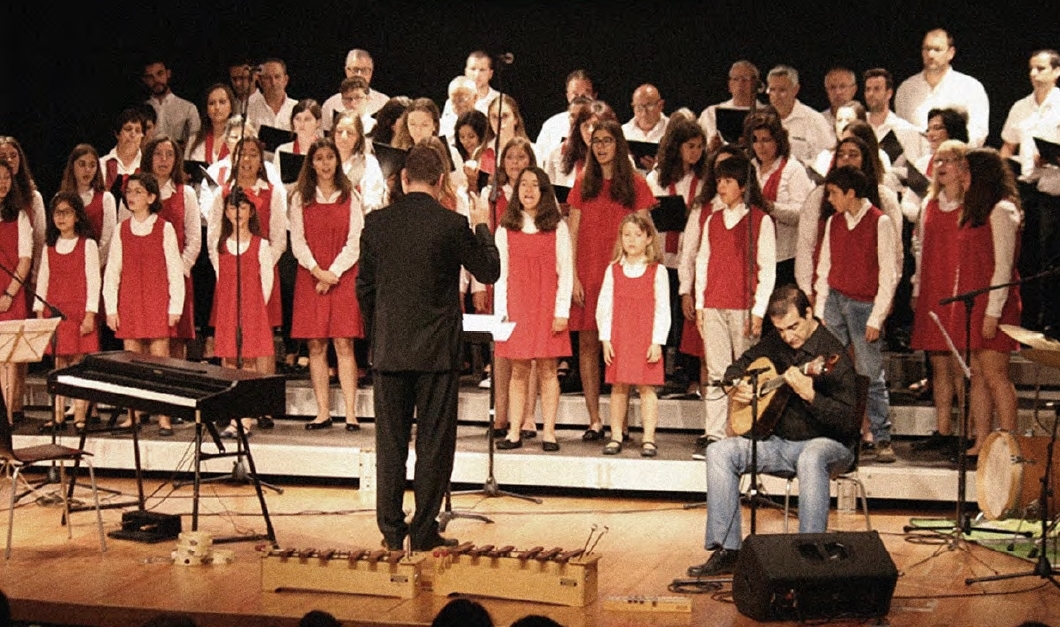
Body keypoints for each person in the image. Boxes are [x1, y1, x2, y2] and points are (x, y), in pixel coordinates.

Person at [356, 142, 499, 551]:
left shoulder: (377, 223)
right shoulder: (451, 224)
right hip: (436, 352)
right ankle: (423, 531)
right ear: (440, 181)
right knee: (434, 444)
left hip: (389, 349)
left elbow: (364, 287)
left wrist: (379, 330)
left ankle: (390, 530)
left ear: (403, 178)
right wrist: (483, 224)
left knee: (391, 443)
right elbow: (489, 270)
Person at [687, 284, 858, 577]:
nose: (788, 336)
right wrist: (736, 385)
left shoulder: (831, 353)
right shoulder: (776, 344)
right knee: (719, 452)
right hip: (780, 443)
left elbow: (848, 421)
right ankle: (728, 550)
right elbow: (737, 366)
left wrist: (812, 397)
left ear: (808, 313)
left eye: (793, 327)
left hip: (828, 445)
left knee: (811, 457)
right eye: (780, 330)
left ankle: (811, 552)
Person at [568, 119, 656, 441]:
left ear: (618, 144)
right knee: (589, 343)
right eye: (596, 142)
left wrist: (645, 273)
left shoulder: (634, 183)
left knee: (625, 346)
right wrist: (573, 276)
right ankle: (595, 420)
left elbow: (647, 230)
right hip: (589, 272)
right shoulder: (582, 182)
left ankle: (623, 423)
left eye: (607, 140)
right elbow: (573, 232)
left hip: (624, 273)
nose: (602, 147)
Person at [813, 165, 899, 463]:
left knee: (869, 373)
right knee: (834, 370)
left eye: (835, 193)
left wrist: (877, 318)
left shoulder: (880, 221)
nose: (830, 199)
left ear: (851, 193)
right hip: (835, 301)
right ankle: (838, 432)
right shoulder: (834, 222)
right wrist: (819, 308)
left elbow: (888, 274)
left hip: (864, 305)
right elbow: (824, 267)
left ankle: (882, 435)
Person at [695, 153, 776, 449]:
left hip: (743, 305)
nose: (721, 186)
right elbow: (703, 261)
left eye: (728, 181)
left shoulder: (760, 220)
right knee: (717, 371)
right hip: (715, 303)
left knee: (744, 371)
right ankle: (714, 433)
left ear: (743, 185)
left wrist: (759, 310)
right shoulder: (713, 220)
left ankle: (742, 429)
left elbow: (768, 269)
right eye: (718, 180)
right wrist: (701, 304)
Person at [493, 166, 572, 452]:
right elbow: (500, 275)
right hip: (517, 306)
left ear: (544, 191)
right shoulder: (505, 227)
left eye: (534, 185)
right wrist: (502, 314)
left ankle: (549, 432)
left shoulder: (557, 227)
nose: (528, 190)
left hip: (547, 305)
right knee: (519, 370)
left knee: (549, 369)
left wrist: (561, 310)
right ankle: (514, 431)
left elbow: (566, 271)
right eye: (523, 184)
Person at [949, 148, 1021, 458]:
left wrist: (993, 312)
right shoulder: (973, 210)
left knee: (995, 375)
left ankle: (1008, 441)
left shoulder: (1002, 210)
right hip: (972, 300)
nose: (961, 177)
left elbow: (1003, 267)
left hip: (996, 304)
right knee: (976, 375)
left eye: (966, 171)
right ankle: (982, 440)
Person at [289, 138, 364, 432]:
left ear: (337, 160)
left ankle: (350, 413)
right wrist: (318, 271)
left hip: (343, 276)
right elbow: (297, 241)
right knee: (316, 344)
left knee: (344, 343)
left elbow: (356, 240)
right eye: (318, 158)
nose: (324, 163)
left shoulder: (351, 196)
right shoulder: (300, 198)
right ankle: (322, 412)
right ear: (311, 162)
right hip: (311, 276)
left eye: (329, 157)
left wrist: (332, 272)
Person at [102, 172, 184, 436]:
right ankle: (133, 414)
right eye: (129, 192)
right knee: (132, 364)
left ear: (151, 197)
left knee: (160, 364)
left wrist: (175, 307)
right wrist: (111, 307)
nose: (132, 196)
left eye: (138, 192)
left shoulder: (164, 228)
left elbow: (174, 269)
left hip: (157, 300)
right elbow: (113, 270)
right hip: (130, 302)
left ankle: (164, 417)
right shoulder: (121, 229)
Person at [908, 140, 968, 454]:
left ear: (962, 166)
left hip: (958, 291)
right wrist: (918, 288)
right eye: (938, 160)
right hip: (933, 286)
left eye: (948, 160)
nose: (941, 166)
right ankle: (943, 429)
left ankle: (968, 432)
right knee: (938, 364)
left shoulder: (972, 205)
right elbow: (919, 249)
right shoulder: (928, 204)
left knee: (960, 364)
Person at [597, 213, 670, 457]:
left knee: (646, 388)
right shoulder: (613, 270)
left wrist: (657, 341)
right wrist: (606, 338)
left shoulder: (657, 271)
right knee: (619, 387)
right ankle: (616, 434)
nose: (632, 240)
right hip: (620, 336)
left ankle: (649, 437)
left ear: (648, 238)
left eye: (638, 235)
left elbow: (663, 309)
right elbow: (604, 306)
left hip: (645, 338)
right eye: (627, 235)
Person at [999, 50, 1060, 336]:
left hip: (1054, 192)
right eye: (1031, 69)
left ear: (1056, 72)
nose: (1034, 74)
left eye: (1041, 68)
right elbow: (1007, 148)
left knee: (1051, 259)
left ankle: (1051, 321)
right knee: (1025, 258)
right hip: (1025, 189)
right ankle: (1028, 319)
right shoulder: (1020, 107)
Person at [34, 192, 100, 434]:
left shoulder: (87, 244)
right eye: (57, 213)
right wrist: (39, 309)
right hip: (55, 311)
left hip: (79, 311)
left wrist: (90, 313)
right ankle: (58, 414)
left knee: (79, 363)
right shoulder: (50, 246)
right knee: (59, 363)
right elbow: (43, 278)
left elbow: (94, 280)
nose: (61, 217)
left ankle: (80, 414)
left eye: (66, 212)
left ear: (77, 216)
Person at [212, 192, 275, 438]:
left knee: (248, 363)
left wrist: (256, 307)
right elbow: (221, 276)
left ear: (250, 211)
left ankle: (246, 419)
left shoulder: (261, 244)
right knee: (229, 362)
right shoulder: (222, 244)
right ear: (226, 212)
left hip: (251, 308)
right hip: (228, 308)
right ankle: (233, 417)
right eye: (232, 208)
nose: (237, 213)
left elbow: (267, 280)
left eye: (242, 207)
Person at [142, 135, 201, 355]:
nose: (164, 159)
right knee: (147, 338)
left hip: (177, 276)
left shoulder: (186, 194)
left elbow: (194, 239)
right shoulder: (136, 192)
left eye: (170, 154)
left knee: (176, 339)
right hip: (145, 278)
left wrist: (178, 272)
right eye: (158, 154)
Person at [745, 111, 812, 287]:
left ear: (778, 140)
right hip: (753, 255)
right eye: (755, 140)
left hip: (784, 258)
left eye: (766, 140)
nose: (760, 146)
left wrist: (770, 206)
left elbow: (801, 213)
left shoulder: (793, 169)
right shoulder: (749, 168)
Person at [895, 28, 990, 147]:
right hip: (915, 161)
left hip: (957, 159)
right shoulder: (906, 89)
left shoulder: (970, 87)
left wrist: (953, 153)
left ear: (951, 53)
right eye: (927, 49)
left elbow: (978, 132)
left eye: (937, 49)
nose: (931, 54)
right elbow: (901, 132)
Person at [0, 158, 32, 426]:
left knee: (9, 359)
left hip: (10, 295)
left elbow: (25, 259)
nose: (2, 183)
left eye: (7, 178)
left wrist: (9, 294)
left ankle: (7, 417)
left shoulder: (19, 215)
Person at [863, 68, 930, 175]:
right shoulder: (859, 124)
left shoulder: (904, 129)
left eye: (877, 89)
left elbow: (916, 171)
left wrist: (887, 172)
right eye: (868, 89)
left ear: (889, 93)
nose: (871, 94)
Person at [58, 143, 117, 264]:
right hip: (66, 265)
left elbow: (107, 242)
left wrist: (89, 266)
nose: (87, 170)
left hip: (96, 267)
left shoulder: (106, 199)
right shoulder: (60, 199)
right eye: (82, 164)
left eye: (92, 165)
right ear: (72, 166)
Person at [765, 65, 833, 165]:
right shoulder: (763, 118)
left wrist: (801, 166)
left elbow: (827, 157)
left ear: (795, 89)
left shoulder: (814, 119)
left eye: (782, 90)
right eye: (772, 90)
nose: (776, 95)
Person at [535, 69, 597, 160]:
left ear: (594, 96)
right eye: (575, 94)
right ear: (568, 96)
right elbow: (539, 160)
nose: (580, 98)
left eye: (585, 94)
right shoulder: (551, 126)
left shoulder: (603, 123)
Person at [321, 49, 389, 130]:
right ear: (347, 70)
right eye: (355, 69)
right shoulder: (331, 105)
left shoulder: (384, 103)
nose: (359, 75)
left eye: (364, 70)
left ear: (371, 72)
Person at [333, 110, 386, 212]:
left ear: (358, 137)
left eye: (350, 133)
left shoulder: (369, 164)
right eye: (339, 131)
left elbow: (373, 203)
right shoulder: (323, 160)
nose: (343, 137)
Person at [699, 60, 761, 148]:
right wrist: (711, 148)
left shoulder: (767, 113)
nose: (740, 84)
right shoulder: (710, 114)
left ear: (756, 84)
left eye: (745, 79)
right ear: (730, 85)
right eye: (736, 79)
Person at [141, 59, 200, 147]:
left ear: (168, 73)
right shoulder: (140, 110)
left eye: (160, 73)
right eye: (150, 77)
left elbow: (195, 143)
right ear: (145, 80)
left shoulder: (188, 108)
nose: (156, 80)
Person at [274, 98, 323, 190]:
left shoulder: (326, 149)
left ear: (318, 122)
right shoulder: (283, 150)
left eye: (307, 119)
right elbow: (276, 185)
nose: (302, 124)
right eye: (298, 119)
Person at [185, 83, 236, 167]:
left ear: (231, 107)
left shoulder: (241, 140)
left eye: (222, 102)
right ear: (206, 109)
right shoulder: (194, 140)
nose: (217, 107)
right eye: (212, 103)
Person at [246, 58, 297, 133]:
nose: (273, 82)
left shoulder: (296, 107)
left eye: (277, 77)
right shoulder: (251, 108)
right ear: (260, 81)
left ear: (285, 80)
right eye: (267, 78)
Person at [101, 108, 144, 191]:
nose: (133, 134)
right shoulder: (102, 164)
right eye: (128, 129)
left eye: (138, 130)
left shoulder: (147, 165)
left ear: (142, 136)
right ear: (117, 134)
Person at [622, 83, 668, 148]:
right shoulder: (624, 131)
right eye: (639, 107)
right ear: (633, 107)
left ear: (660, 105)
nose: (644, 113)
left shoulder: (672, 129)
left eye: (649, 106)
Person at [821, 67, 858, 140]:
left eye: (842, 86)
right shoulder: (819, 120)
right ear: (827, 91)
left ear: (854, 90)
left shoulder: (865, 120)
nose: (838, 92)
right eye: (832, 87)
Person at [439, 75, 478, 140]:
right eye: (453, 101)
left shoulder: (486, 124)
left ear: (475, 98)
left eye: (461, 100)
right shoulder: (443, 126)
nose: (456, 105)